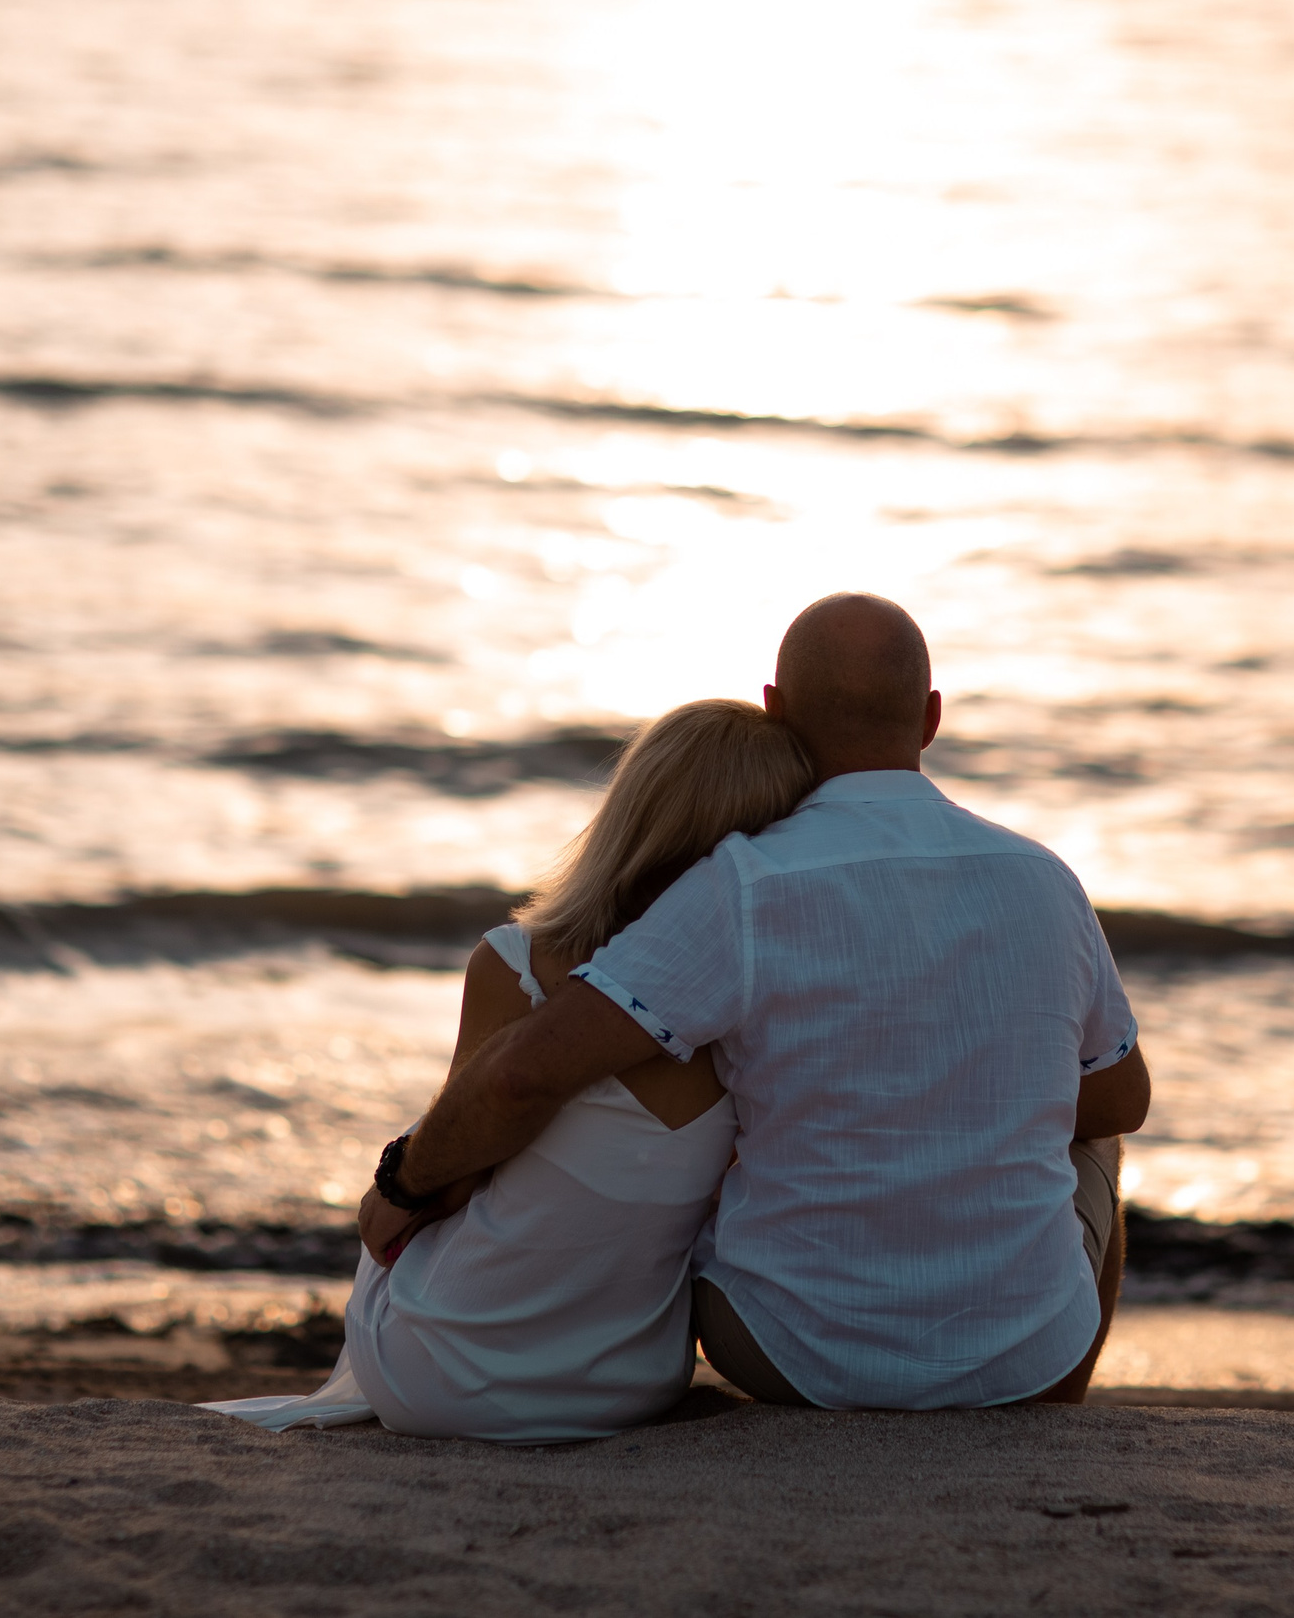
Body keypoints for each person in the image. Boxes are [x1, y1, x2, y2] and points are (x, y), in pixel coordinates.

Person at [382, 593, 1152, 1410]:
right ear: (929, 718)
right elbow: (1121, 1097)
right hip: (1028, 1360)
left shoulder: (742, 885)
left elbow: (524, 1073)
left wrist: (404, 1182)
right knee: (1096, 1137)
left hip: (788, 1353)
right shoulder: (1044, 879)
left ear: (775, 711)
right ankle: (1056, 1404)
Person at [200, 698, 810, 1442]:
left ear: (635, 813)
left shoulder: (518, 966)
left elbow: (447, 1179)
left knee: (437, 1147)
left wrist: (394, 1186)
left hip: (440, 1382)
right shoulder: (764, 1008)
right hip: (630, 1384)